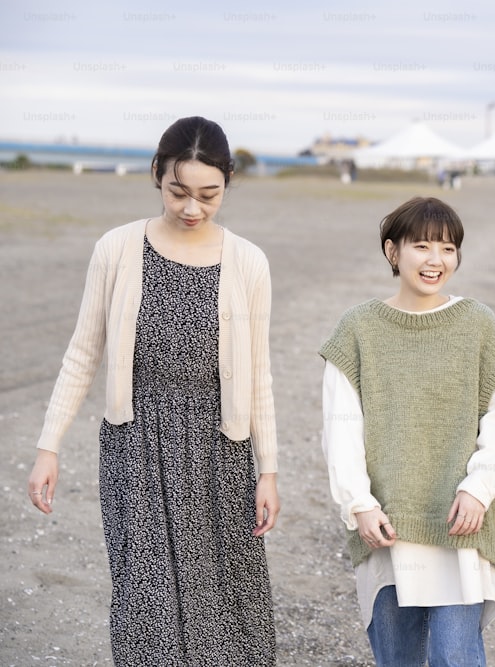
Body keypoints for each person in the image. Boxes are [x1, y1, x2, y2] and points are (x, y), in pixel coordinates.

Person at [27, 116, 279, 665]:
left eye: (209, 195)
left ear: (228, 183)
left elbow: (258, 374)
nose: (192, 208)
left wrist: (269, 471)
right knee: (148, 606)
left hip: (220, 448)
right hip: (135, 447)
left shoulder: (250, 263)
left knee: (227, 602)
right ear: (157, 177)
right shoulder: (117, 249)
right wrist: (49, 447)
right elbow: (82, 353)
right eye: (178, 192)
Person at [319, 196, 495, 665]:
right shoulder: (358, 328)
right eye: (422, 246)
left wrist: (478, 489)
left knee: (456, 655)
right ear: (393, 251)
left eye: (448, 249)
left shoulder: (478, 323)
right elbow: (339, 428)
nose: (436, 260)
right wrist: (359, 505)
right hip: (386, 523)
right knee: (398, 656)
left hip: (460, 519)